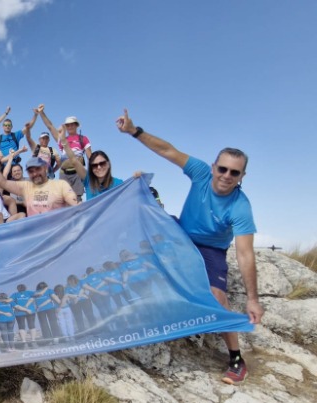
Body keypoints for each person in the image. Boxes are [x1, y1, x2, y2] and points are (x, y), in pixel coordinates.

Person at [116, 109, 263, 385]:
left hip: (210, 249)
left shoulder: (240, 207)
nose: (226, 176)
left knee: (217, 297)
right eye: (222, 169)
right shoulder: (201, 173)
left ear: (242, 176)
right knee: (143, 218)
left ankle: (236, 358)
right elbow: (168, 150)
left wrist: (252, 299)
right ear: (213, 167)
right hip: (178, 235)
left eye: (234, 172)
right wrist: (134, 131)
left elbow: (245, 253)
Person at [0, 153, 78, 216]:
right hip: (36, 235)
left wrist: (77, 206)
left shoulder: (61, 184)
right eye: (31, 171)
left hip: (57, 232)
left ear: (45, 168)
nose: (35, 174)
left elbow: (74, 204)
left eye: (38, 169)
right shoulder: (26, 186)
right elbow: (3, 182)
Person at [58, 133, 124, 200]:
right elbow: (74, 160)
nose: (99, 167)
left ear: (108, 164)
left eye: (102, 163)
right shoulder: (88, 180)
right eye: (94, 165)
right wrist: (64, 141)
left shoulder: (119, 184)